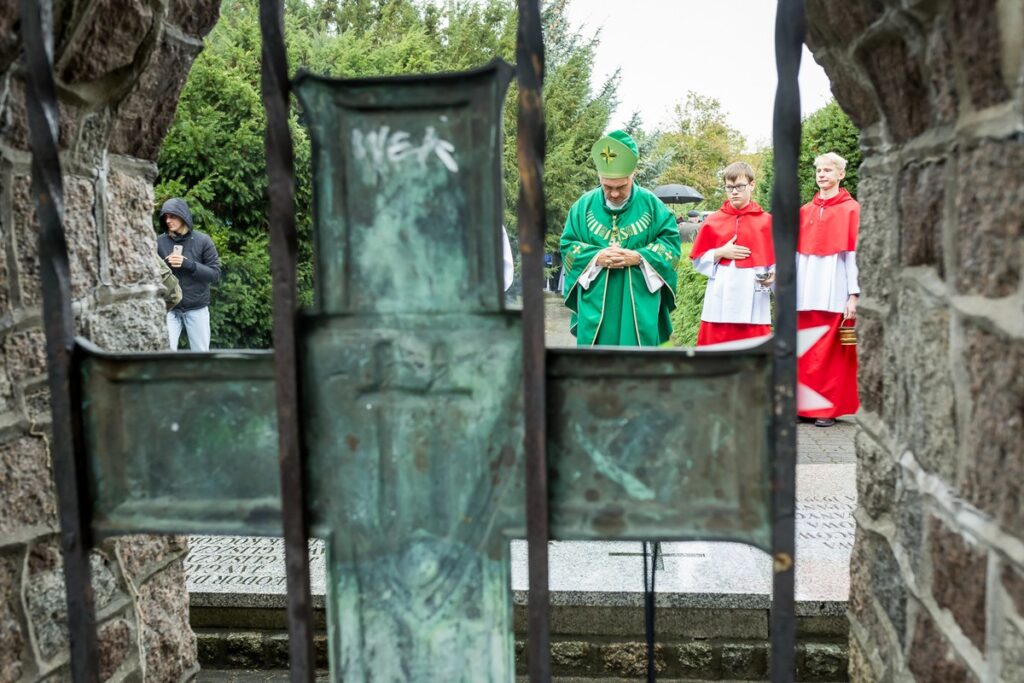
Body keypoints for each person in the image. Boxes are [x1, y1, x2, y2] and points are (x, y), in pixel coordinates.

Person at [560, 130, 681, 346]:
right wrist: (596, 257)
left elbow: (671, 247)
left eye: (621, 187)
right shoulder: (582, 207)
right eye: (607, 187)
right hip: (595, 304)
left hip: (639, 302)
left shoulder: (653, 206)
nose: (614, 194)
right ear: (600, 178)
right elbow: (568, 246)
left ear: (633, 175)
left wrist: (640, 257)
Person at [796, 152, 860, 427]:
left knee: (830, 354)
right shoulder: (805, 211)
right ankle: (802, 407)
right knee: (805, 349)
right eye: (819, 170)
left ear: (840, 175)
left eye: (828, 170)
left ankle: (826, 409)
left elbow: (854, 255)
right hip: (804, 291)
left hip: (834, 290)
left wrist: (854, 294)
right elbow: (797, 254)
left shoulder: (851, 210)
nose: (822, 175)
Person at [689, 161, 775, 346]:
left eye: (739, 186)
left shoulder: (767, 222)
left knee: (753, 351)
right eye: (729, 187)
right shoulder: (713, 221)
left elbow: (778, 262)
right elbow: (697, 260)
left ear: (752, 185)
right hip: (719, 299)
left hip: (754, 299)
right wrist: (720, 252)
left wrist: (773, 276)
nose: (734, 191)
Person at [156, 198, 221, 351]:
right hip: (169, 308)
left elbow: (215, 274)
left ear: (183, 216)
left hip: (197, 308)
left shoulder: (203, 240)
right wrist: (163, 266)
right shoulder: (158, 242)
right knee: (164, 353)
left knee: (201, 354)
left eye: (172, 216)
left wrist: (189, 264)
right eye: (165, 217)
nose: (168, 220)